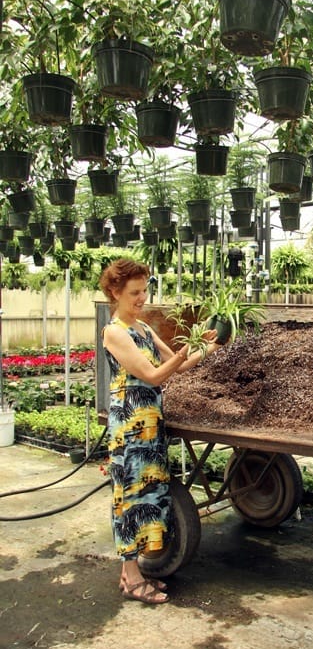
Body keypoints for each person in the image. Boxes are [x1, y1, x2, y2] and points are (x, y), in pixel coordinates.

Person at [99, 258, 221, 604]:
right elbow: (153, 375)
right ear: (115, 292)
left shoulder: (143, 329)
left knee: (151, 493)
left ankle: (133, 573)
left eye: (144, 290)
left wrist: (210, 346)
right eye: (135, 292)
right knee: (130, 496)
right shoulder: (115, 332)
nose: (142, 298)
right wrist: (183, 350)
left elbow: (178, 367)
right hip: (130, 425)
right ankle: (131, 574)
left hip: (151, 421)